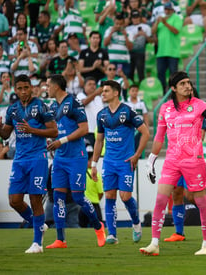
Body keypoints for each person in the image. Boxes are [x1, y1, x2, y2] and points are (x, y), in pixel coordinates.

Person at [139, 71, 206, 256]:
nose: (188, 86)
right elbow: (159, 136)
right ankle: (154, 243)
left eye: (188, 82)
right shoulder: (165, 108)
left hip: (193, 160)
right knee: (161, 200)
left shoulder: (199, 105)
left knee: (201, 201)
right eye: (183, 84)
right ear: (173, 88)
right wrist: (151, 160)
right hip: (172, 160)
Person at [0, 74, 58, 253]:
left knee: (35, 198)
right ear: (15, 90)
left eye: (26, 88)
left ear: (31, 88)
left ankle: (37, 244)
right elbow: (6, 134)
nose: (23, 92)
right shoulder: (12, 110)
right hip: (20, 160)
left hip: (38, 158)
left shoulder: (40, 106)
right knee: (14, 201)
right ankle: (39, 225)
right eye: (20, 88)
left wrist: (32, 130)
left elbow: (54, 130)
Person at [45, 74, 106, 249]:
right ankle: (60, 239)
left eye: (48, 85)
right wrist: (51, 142)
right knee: (58, 198)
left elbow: (84, 129)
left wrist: (61, 141)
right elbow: (56, 130)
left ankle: (98, 226)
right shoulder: (53, 106)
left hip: (76, 157)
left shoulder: (73, 102)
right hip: (60, 158)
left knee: (78, 197)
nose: (46, 88)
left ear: (56, 86)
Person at [91, 80, 149, 244]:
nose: (103, 93)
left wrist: (137, 155)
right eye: (102, 91)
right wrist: (94, 164)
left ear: (116, 93)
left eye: (106, 91)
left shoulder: (128, 112)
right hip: (109, 162)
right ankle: (112, 234)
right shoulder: (101, 115)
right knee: (109, 195)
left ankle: (136, 223)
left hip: (125, 162)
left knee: (125, 196)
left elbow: (145, 133)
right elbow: (99, 141)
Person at [151, 1, 183, 93]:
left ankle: (174, 92)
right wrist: (157, 23)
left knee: (173, 74)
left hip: (173, 52)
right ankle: (163, 92)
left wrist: (165, 23)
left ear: (173, 10)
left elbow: (176, 31)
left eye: (169, 9)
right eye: (166, 9)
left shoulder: (177, 18)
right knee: (160, 73)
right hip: (161, 52)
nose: (167, 11)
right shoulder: (161, 20)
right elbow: (153, 32)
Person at [126, 9, 153, 84]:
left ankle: (142, 89)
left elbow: (151, 40)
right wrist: (135, 36)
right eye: (134, 17)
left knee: (140, 72)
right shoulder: (127, 28)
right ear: (131, 18)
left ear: (140, 17)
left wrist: (144, 35)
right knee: (130, 73)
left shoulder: (146, 27)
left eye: (137, 17)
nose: (135, 19)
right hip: (130, 52)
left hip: (140, 52)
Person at [79, 147, 104, 228]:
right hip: (94, 204)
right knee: (98, 227)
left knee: (82, 227)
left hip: (82, 205)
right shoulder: (97, 175)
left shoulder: (80, 174)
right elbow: (101, 192)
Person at [76, 77, 104, 148]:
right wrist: (96, 93)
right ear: (84, 86)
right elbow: (83, 103)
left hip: (98, 132)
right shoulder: (80, 95)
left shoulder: (99, 98)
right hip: (87, 132)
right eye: (89, 84)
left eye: (94, 84)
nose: (92, 86)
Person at [124, 84, 149, 152]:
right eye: (133, 91)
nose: (135, 92)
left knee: (138, 144)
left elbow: (145, 115)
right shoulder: (126, 103)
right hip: (129, 127)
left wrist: (147, 126)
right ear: (129, 92)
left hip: (139, 127)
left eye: (136, 91)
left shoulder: (141, 103)